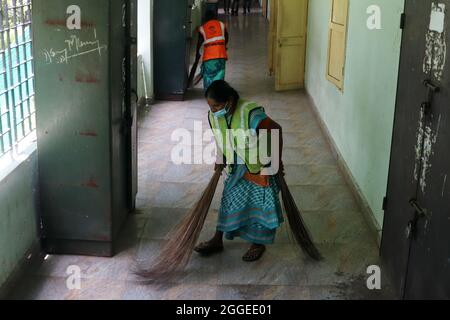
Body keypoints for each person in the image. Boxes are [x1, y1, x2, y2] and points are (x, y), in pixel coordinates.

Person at [194, 80, 285, 262]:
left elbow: (276, 129)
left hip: (259, 166)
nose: (213, 110)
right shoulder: (214, 116)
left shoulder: (250, 113)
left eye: (217, 105)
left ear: (229, 100)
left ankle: (258, 244)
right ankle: (217, 240)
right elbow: (222, 137)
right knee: (228, 199)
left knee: (259, 205)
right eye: (210, 106)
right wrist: (220, 159)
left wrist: (276, 161)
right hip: (236, 166)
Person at [190, 10, 229, 90]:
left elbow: (199, 42)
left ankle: (210, 93)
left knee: (208, 76)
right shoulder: (221, 24)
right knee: (220, 74)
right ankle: (218, 93)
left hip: (209, 57)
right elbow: (226, 37)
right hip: (221, 55)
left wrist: (197, 53)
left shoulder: (203, 28)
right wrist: (224, 46)